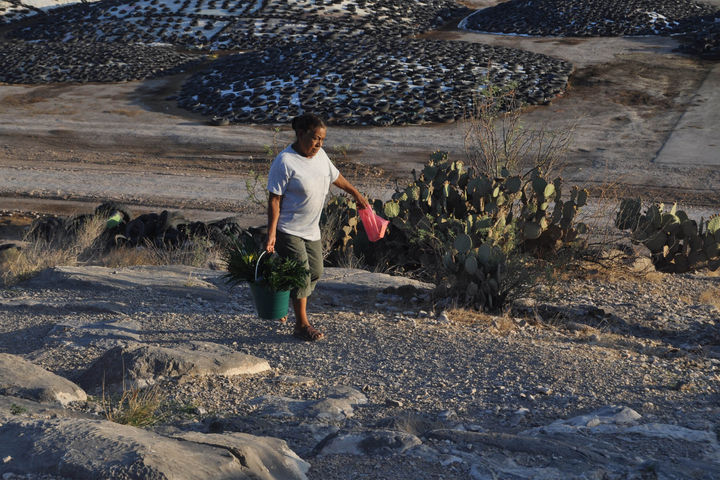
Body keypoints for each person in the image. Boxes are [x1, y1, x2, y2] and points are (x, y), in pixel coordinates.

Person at [265, 113, 369, 341]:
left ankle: (283, 295)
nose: (319, 144)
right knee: (302, 274)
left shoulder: (320, 155)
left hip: (311, 230)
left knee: (316, 272)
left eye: (322, 139)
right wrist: (271, 234)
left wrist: (355, 193)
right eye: (315, 138)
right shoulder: (285, 161)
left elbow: (335, 176)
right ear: (300, 134)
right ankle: (301, 325)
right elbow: (274, 199)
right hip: (288, 229)